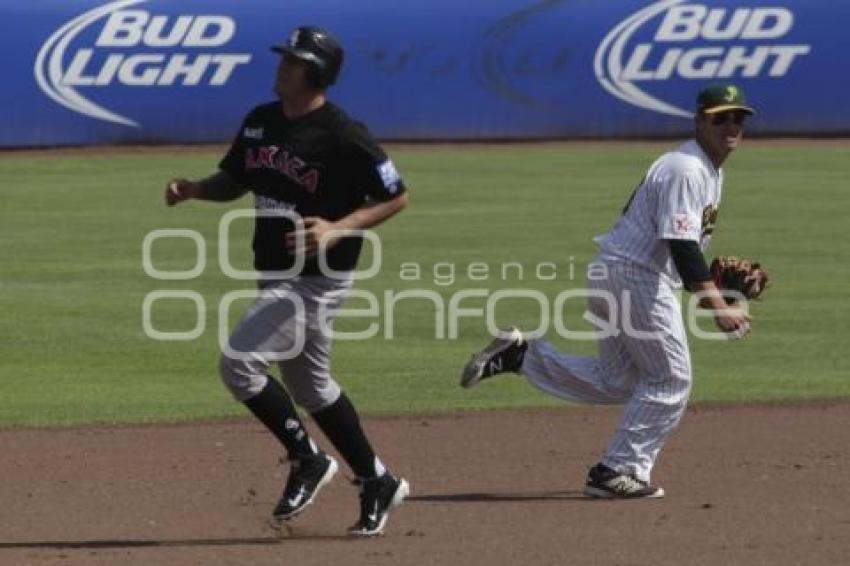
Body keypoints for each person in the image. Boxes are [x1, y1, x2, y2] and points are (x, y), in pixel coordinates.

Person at [165, 26, 410, 535]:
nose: (282, 67)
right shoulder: (261, 122)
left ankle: (307, 458)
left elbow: (396, 195)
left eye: (293, 62)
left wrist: (340, 227)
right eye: (285, 58)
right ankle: (377, 480)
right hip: (276, 274)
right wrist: (194, 189)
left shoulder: (343, 134)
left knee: (238, 365)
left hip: (317, 280)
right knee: (312, 386)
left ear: (316, 73)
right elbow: (235, 180)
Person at [461, 84, 755, 499]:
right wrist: (716, 304)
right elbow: (682, 246)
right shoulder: (687, 168)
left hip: (619, 273)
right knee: (671, 379)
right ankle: (616, 470)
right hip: (635, 279)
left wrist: (714, 284)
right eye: (720, 117)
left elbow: (679, 246)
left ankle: (523, 356)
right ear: (700, 120)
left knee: (617, 380)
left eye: (738, 118)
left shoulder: (707, 168)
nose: (731, 125)